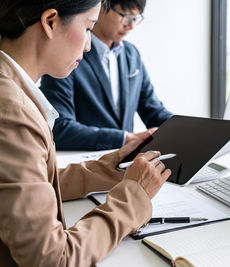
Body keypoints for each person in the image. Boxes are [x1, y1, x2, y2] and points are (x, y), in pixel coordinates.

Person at [0, 0, 171, 266]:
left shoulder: (12, 90)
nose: (89, 44)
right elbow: (53, 258)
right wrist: (133, 196)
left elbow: (31, 181)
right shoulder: (12, 112)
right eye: (89, 27)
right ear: (51, 22)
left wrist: (112, 168)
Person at [40, 0, 173, 151]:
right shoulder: (68, 56)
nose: (130, 26)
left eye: (135, 19)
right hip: (85, 165)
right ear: (101, 7)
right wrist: (124, 139)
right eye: (125, 16)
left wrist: (186, 130)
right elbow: (59, 127)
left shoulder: (131, 54)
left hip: (128, 162)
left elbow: (153, 110)